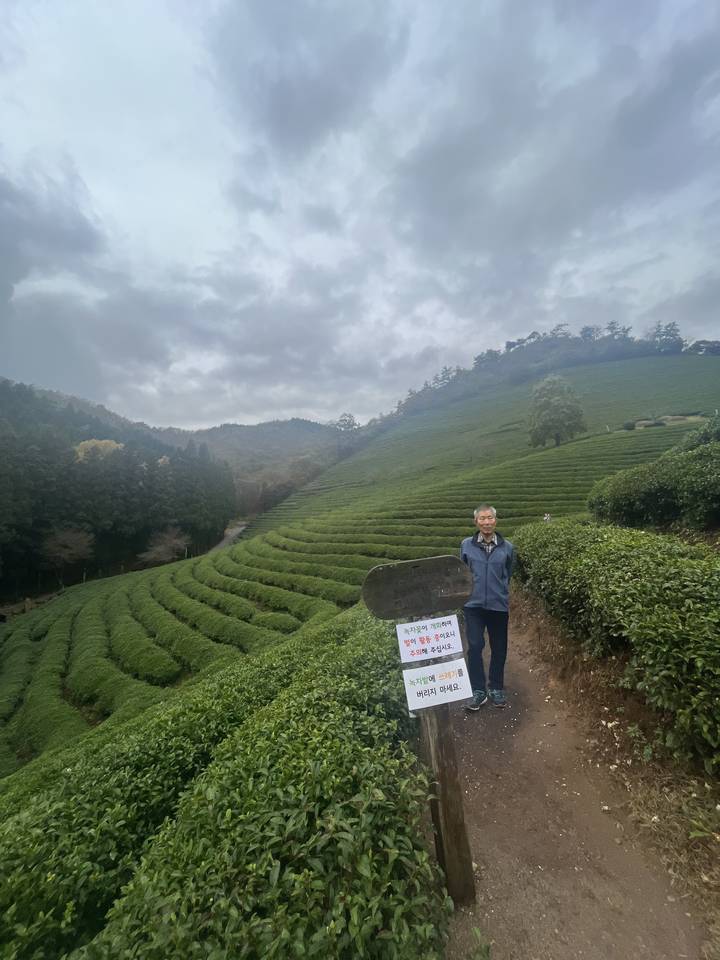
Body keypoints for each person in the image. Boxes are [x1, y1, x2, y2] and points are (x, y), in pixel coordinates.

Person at [460, 504, 515, 710]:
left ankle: (496, 688)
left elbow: (507, 573)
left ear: (495, 520)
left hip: (498, 605)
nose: (486, 522)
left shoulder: (507, 547)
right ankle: (478, 691)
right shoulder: (466, 545)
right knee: (474, 647)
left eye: (489, 518)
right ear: (476, 522)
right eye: (482, 518)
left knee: (499, 648)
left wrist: (498, 591)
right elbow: (462, 573)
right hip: (473, 605)